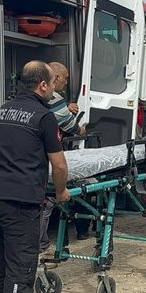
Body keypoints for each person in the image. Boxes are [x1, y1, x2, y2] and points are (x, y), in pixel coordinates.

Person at [0, 61, 70, 293]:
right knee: (21, 270)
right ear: (43, 85)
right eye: (51, 84)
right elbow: (58, 164)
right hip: (21, 202)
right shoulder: (44, 117)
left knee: (2, 268)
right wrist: (61, 191)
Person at [38, 61, 88, 260]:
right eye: (65, 79)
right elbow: (69, 126)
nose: (66, 83)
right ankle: (43, 245)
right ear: (54, 79)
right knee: (49, 201)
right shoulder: (55, 98)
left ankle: (55, 242)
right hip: (47, 159)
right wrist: (82, 130)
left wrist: (65, 107)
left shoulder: (28, 99)